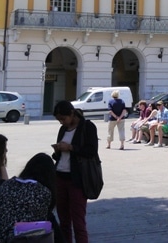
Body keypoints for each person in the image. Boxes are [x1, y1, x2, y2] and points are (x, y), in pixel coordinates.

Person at [0, 153, 57, 243]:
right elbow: (39, 228)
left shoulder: (8, 184)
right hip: (15, 239)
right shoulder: (42, 192)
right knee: (51, 220)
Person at [52, 100, 99, 243]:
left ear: (72, 114)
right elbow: (59, 156)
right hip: (60, 176)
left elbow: (92, 151)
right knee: (63, 221)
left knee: (78, 222)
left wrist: (71, 148)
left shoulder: (87, 127)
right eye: (59, 119)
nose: (61, 122)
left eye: (63, 118)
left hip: (77, 179)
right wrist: (57, 150)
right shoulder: (63, 129)